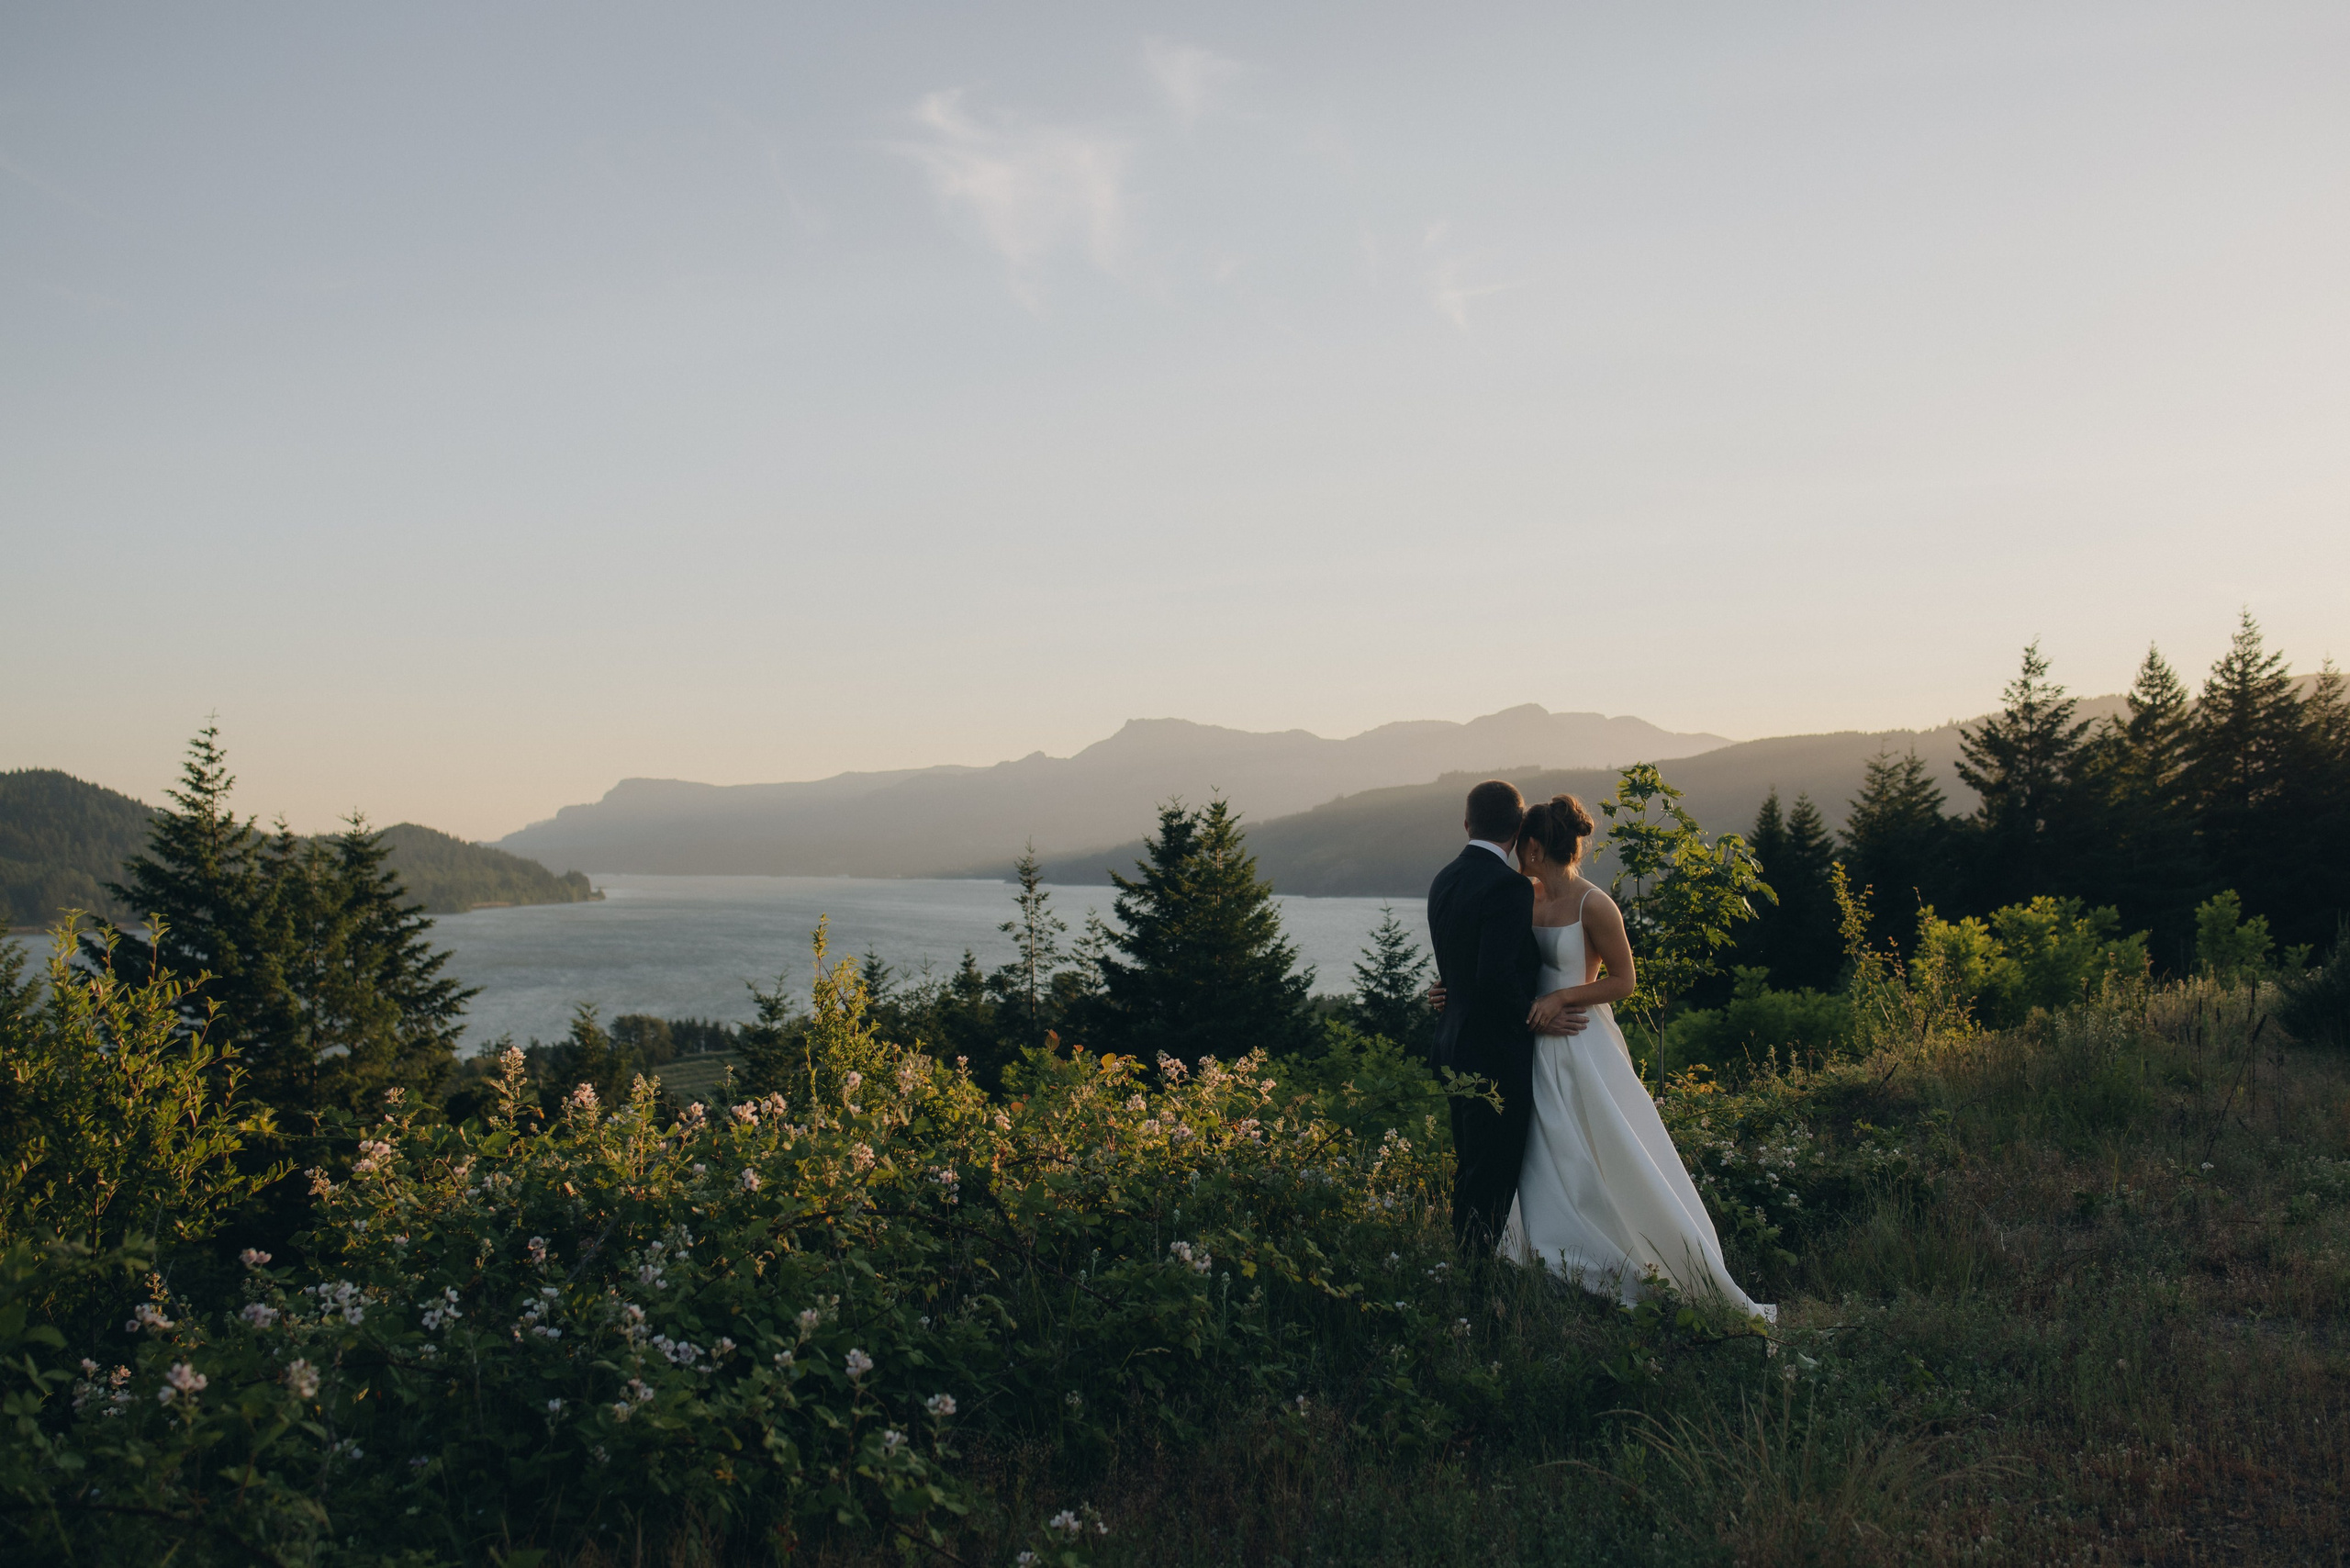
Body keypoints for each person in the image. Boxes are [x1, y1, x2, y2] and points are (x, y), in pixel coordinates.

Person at [1432, 791, 1773, 1324]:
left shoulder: (1595, 904)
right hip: (1532, 1045)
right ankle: (1553, 1259)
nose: (1515, 851)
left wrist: (1561, 998)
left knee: (1602, 1155)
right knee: (1544, 1160)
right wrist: (1457, 989)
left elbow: (1624, 981)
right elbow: (1497, 965)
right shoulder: (1524, 893)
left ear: (1538, 845)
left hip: (1579, 1040)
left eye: (1522, 844)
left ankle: (1634, 1257)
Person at [1424, 780, 1586, 1254]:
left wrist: (1445, 994)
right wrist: (1539, 1017)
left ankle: (1467, 1270)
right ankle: (1474, 1280)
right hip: (1493, 1055)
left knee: (1471, 1168)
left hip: (1453, 1047)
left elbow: (1460, 965)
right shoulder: (1509, 887)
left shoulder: (1444, 878)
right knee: (1492, 1176)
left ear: (1467, 824)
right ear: (1517, 830)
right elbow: (1494, 977)